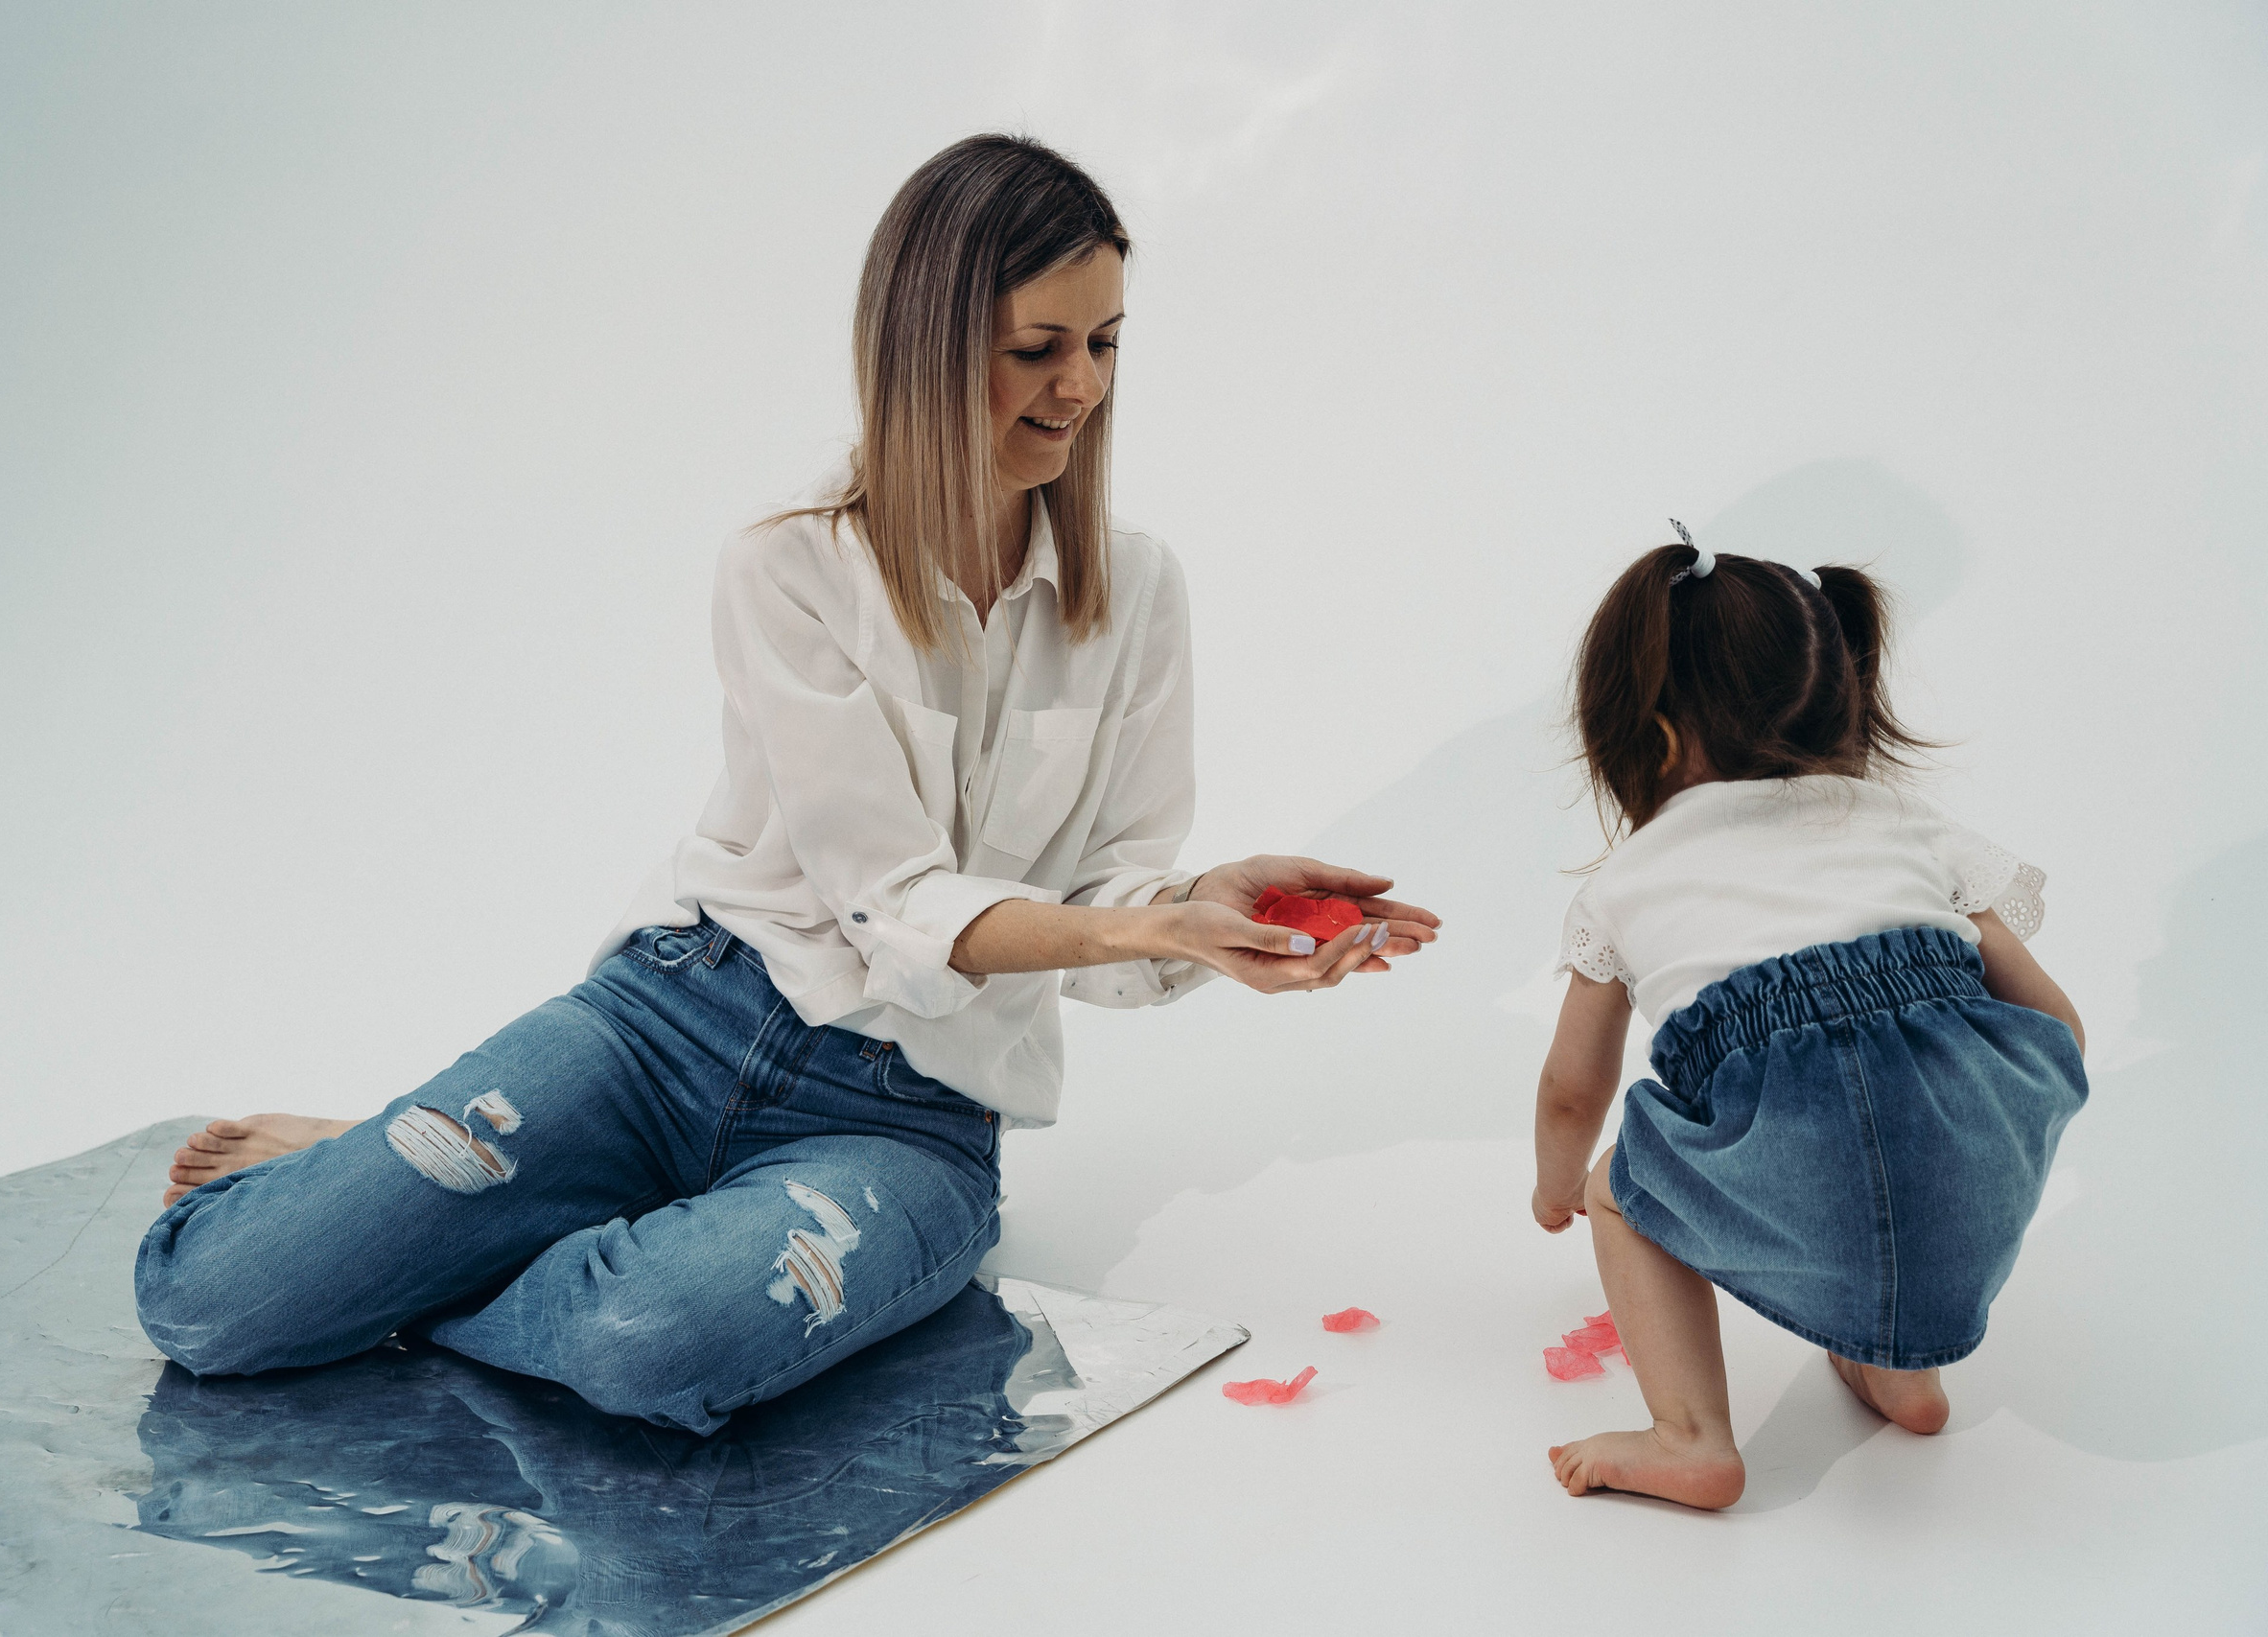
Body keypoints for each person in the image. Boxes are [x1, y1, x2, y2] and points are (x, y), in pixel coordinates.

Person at [134, 133, 1438, 1435]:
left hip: (910, 1127)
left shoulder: (1139, 592)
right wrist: (1145, 920)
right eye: (1038, 347)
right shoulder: (789, 571)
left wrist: (1205, 909)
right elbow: (889, 896)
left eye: (1105, 343)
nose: (1082, 384)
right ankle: (414, 1189)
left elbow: (1105, 902)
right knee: (211, 1296)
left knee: (651, 1340)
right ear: (927, 348)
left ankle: (457, 1224)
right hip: (671, 1024)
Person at [1529, 527, 2086, 1508]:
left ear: (1648, 741)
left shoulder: (1624, 885)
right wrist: (2017, 1106)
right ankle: (1902, 1374)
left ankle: (1688, 1437)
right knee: (1881, 1146)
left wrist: (1556, 1184)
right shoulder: (1909, 826)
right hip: (1976, 1168)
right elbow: (2052, 1019)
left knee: (1625, 1189)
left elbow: (1574, 1087)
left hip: (1797, 1171)